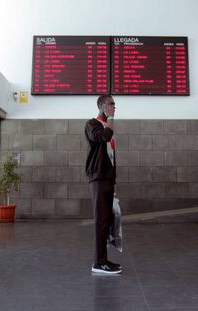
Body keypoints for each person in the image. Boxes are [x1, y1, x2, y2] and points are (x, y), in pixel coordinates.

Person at [85, 94, 122, 275]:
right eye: (110, 104)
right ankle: (98, 263)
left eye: (115, 105)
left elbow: (112, 158)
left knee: (106, 221)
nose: (114, 107)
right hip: (98, 177)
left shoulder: (108, 127)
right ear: (101, 106)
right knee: (100, 220)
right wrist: (111, 119)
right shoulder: (92, 124)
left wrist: (113, 182)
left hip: (107, 179)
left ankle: (103, 259)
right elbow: (103, 137)